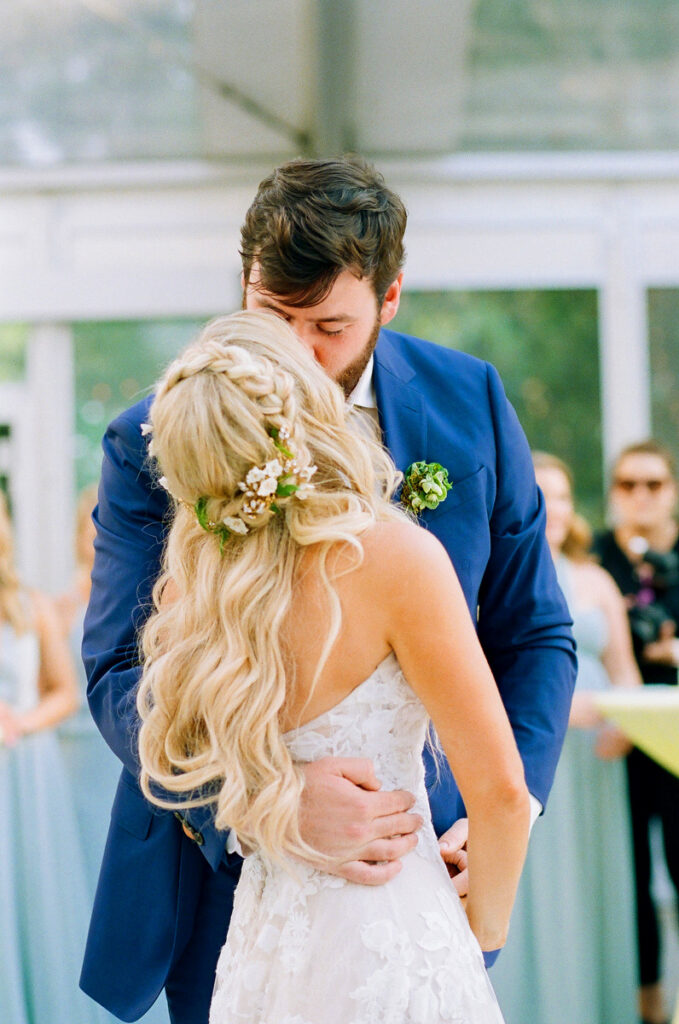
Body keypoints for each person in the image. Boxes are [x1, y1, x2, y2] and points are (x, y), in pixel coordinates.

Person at [80, 155, 577, 1024]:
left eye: (329, 327)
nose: (299, 357)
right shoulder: (156, 436)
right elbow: (120, 669)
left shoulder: (471, 403)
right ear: (244, 283)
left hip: (411, 881)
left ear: (388, 301)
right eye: (274, 317)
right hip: (226, 889)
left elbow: (533, 633)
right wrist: (261, 797)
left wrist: (507, 815)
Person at [138, 309, 531, 1021]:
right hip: (394, 932)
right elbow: (501, 791)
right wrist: (478, 934)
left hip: (264, 941)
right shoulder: (393, 557)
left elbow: (186, 767)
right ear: (306, 406)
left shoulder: (192, 587)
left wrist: (271, 804)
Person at [491, 452, 640, 1024]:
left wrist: (622, 725)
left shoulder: (596, 578)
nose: (553, 507)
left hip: (597, 761)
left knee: (595, 886)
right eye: (540, 493)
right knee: (540, 887)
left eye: (563, 495)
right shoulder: (500, 579)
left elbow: (623, 668)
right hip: (534, 755)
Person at [0, 490, 99, 1024]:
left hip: (21, 773)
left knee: (29, 905)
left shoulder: (30, 605)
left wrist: (18, 721)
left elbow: (63, 691)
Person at [593, 439, 679, 1024]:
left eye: (652, 484)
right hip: (612, 742)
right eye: (627, 485)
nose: (640, 495)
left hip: (675, 739)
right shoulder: (594, 558)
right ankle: (644, 1007)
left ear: (671, 490)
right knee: (628, 882)